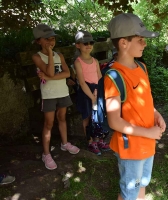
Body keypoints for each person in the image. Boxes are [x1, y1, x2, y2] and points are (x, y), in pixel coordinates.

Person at [106, 13, 166, 200]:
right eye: (140, 40)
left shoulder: (142, 68)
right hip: (131, 146)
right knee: (129, 190)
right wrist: (148, 133)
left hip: (147, 142)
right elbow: (114, 121)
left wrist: (156, 114)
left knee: (142, 182)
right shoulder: (114, 76)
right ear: (124, 43)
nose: (144, 44)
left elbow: (145, 100)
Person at [32, 24, 80, 170]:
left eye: (52, 39)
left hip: (63, 92)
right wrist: (50, 56)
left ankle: (64, 143)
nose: (50, 42)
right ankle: (46, 153)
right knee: (48, 123)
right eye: (46, 39)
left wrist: (48, 76)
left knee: (62, 118)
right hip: (49, 95)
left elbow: (67, 74)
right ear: (38, 41)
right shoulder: (37, 57)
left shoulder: (60, 55)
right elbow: (52, 72)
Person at [74, 30, 110, 155]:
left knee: (98, 116)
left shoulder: (94, 60)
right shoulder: (78, 62)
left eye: (91, 43)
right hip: (86, 93)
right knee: (87, 117)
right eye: (85, 43)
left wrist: (99, 92)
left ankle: (98, 139)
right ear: (78, 45)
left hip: (96, 91)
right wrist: (92, 97)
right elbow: (82, 83)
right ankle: (90, 141)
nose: (88, 45)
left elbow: (100, 77)